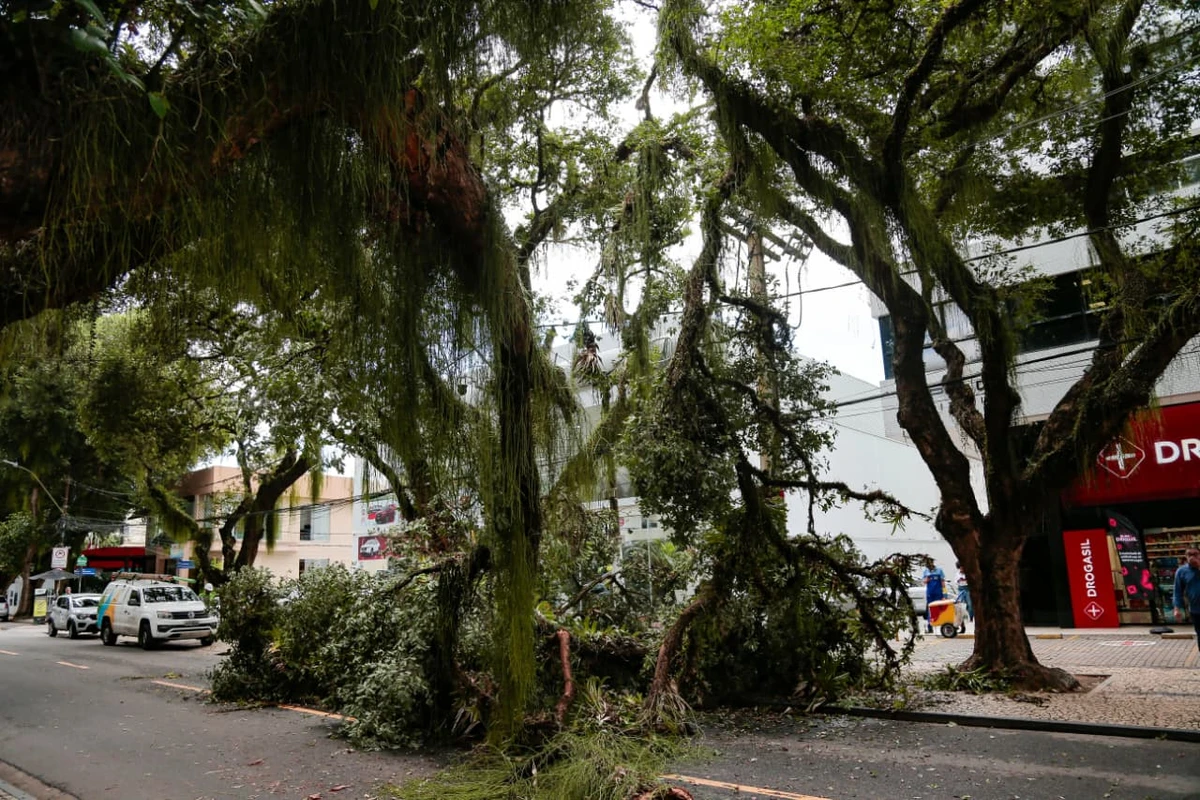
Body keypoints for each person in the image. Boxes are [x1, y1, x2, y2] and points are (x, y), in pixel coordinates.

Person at [1172, 547, 1200, 654]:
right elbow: (1177, 591)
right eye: (1189, 555)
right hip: (1196, 610)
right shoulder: (1182, 571)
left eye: (1195, 554)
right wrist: (1177, 608)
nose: (1192, 557)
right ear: (1186, 557)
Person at [922, 562, 947, 634]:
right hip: (930, 594)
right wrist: (926, 580)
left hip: (938, 593)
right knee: (930, 610)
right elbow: (924, 581)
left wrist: (944, 595)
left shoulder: (939, 571)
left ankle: (944, 625)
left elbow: (943, 583)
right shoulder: (926, 571)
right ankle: (930, 626)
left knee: (941, 609)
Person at [954, 562, 973, 634]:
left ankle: (970, 617)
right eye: (960, 568)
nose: (962, 569)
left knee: (970, 604)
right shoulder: (957, 574)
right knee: (960, 606)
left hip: (967, 589)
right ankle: (962, 624)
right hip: (961, 589)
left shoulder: (968, 573)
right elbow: (956, 582)